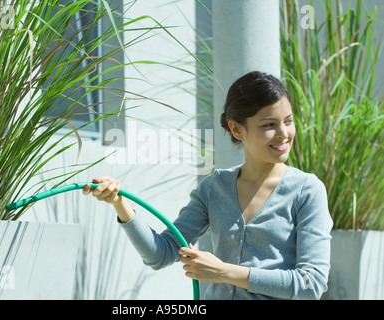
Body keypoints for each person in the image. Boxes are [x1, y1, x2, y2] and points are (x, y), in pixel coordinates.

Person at [82, 71, 333, 300]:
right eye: (269, 124)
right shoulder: (214, 187)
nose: (283, 133)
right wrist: (119, 203)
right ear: (237, 129)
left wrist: (225, 272)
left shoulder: (307, 191)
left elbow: (311, 283)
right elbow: (160, 254)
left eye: (288, 121)